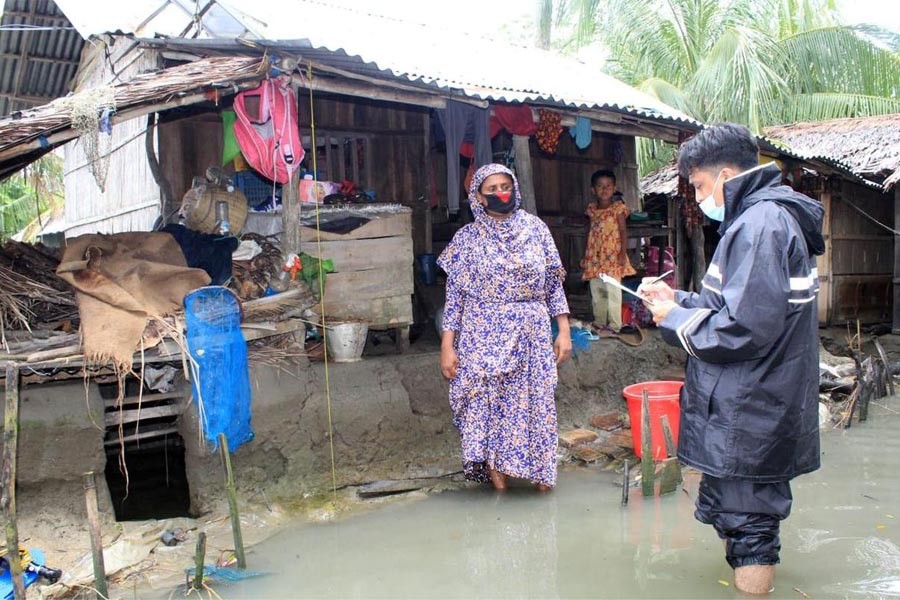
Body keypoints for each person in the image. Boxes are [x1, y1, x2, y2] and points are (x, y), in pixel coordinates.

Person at [640, 123, 824, 595]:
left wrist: (675, 320)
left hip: (754, 409)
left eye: (700, 186)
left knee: (750, 526)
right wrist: (676, 300)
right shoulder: (758, 220)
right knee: (740, 515)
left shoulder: (760, 225)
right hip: (753, 404)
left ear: (724, 175)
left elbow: (746, 328)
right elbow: (734, 306)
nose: (700, 197)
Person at [437, 163, 572, 492]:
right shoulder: (467, 239)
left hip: (532, 330)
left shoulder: (536, 229)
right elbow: (455, 298)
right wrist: (447, 346)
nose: (501, 194)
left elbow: (553, 284)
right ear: (479, 198)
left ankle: (541, 473)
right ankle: (496, 475)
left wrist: (564, 329)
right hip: (484, 332)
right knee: (488, 400)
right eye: (492, 189)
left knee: (536, 400)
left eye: (505, 186)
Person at [581, 169, 636, 332]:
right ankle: (599, 322)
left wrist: (622, 253)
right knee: (597, 290)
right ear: (593, 190)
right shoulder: (592, 210)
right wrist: (585, 255)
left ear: (614, 188)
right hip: (595, 257)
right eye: (600, 186)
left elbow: (623, 232)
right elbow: (589, 232)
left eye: (608, 186)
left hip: (612, 256)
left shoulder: (617, 209)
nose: (604, 189)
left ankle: (614, 325)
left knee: (612, 290)